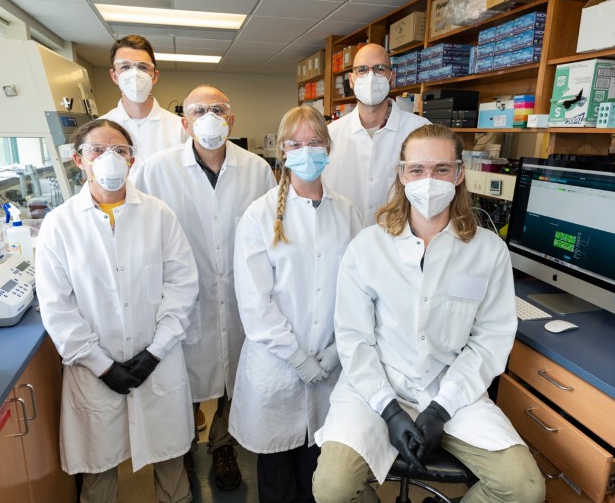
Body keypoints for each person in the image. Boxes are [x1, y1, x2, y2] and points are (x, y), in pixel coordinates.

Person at [312, 124, 546, 503]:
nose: (428, 180)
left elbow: (489, 340)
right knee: (332, 488)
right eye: (417, 170)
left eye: (440, 169)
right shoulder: (368, 247)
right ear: (402, 175)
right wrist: (389, 411)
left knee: (524, 489)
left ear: (458, 174)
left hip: (452, 390)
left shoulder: (487, 250)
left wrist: (442, 408)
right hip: (376, 388)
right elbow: (354, 338)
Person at [35, 119, 199, 503]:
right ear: (80, 160)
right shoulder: (59, 226)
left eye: (120, 151)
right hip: (93, 370)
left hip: (157, 362)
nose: (110, 158)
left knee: (171, 462)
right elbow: (57, 307)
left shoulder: (159, 215)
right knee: (98, 470)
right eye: (98, 150)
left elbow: (182, 285)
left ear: (132, 160)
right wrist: (101, 365)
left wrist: (155, 352)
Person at [130, 84, 277, 491]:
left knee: (235, 371)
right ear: (184, 121)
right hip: (181, 298)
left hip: (240, 295)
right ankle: (182, 447)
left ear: (231, 119)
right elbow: (139, 231)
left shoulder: (257, 169)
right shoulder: (155, 169)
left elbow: (270, 232)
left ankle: (222, 444)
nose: (208, 118)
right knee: (183, 377)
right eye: (198, 110)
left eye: (217, 109)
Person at [230, 106, 363, 503]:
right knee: (276, 475)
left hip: (331, 367)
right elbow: (255, 303)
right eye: (296, 144)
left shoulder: (349, 211)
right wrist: (299, 358)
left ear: (329, 148)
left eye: (315, 143)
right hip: (277, 366)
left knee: (319, 476)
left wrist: (336, 352)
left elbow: (361, 291)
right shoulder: (259, 215)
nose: (307, 151)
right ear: (283, 152)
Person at [321, 43, 430, 227]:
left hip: (400, 244)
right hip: (345, 243)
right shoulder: (330, 135)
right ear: (351, 80)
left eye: (380, 69)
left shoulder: (420, 132)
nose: (370, 77)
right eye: (362, 70)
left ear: (391, 77)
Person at [100, 34, 188, 164]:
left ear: (154, 76)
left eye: (142, 67)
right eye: (125, 67)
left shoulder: (181, 129)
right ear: (114, 76)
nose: (134, 74)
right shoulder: (99, 129)